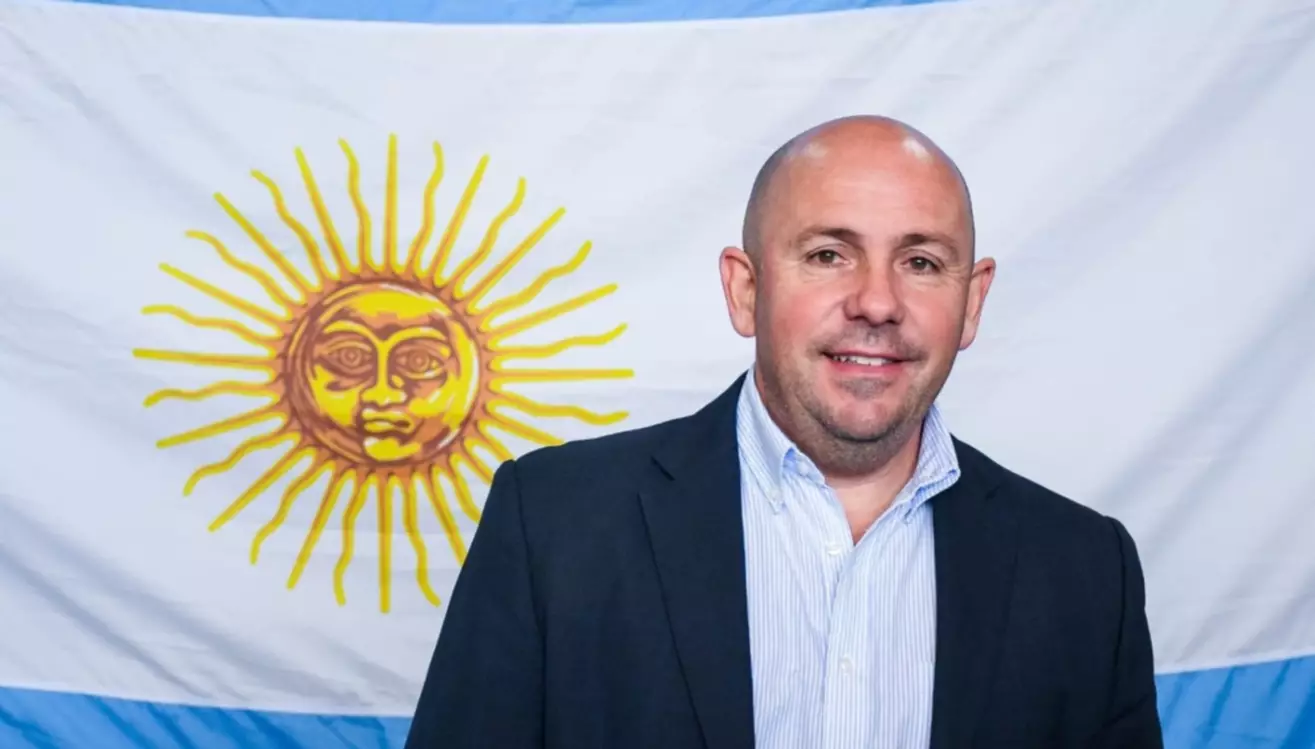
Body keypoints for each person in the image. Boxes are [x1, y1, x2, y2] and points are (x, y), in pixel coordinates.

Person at [404, 115, 1163, 749]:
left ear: (972, 301)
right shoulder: (554, 524)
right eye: (829, 255)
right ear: (745, 289)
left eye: (921, 261)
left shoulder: (1086, 572)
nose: (876, 302)